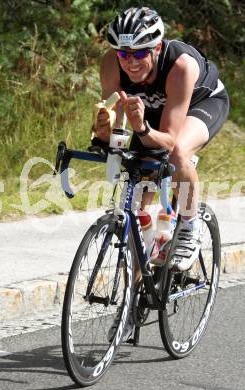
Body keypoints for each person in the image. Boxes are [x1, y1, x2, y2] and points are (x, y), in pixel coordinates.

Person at [93, 6, 229, 341]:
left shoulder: (180, 65)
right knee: (141, 214)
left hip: (199, 103)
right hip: (149, 113)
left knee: (179, 152)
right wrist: (103, 135)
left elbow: (167, 138)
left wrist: (140, 128)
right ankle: (131, 304)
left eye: (139, 52)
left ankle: (189, 224)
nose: (130, 61)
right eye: (123, 52)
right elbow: (113, 123)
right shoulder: (112, 64)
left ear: (156, 47)